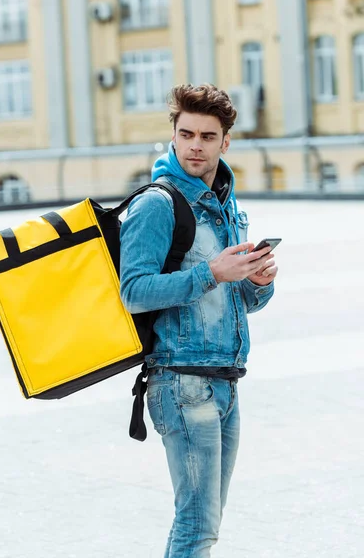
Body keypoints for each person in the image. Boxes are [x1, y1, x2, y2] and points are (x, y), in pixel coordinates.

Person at [120, 83, 278, 558]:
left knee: (204, 526)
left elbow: (240, 302)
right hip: (181, 381)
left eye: (207, 137)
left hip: (226, 380)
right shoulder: (157, 203)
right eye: (185, 133)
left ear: (225, 142)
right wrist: (211, 272)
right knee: (196, 527)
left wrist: (260, 281)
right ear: (173, 134)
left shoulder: (224, 205)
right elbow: (133, 292)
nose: (194, 145)